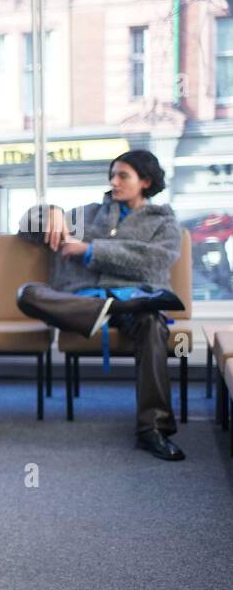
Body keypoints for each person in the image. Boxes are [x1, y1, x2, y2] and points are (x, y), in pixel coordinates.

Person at [15, 150, 186, 460]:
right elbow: (25, 228)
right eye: (112, 175)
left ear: (145, 181)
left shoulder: (165, 222)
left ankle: (153, 430)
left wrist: (90, 250)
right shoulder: (88, 214)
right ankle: (103, 310)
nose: (114, 182)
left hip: (136, 301)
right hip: (82, 303)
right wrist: (50, 211)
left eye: (123, 176)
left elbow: (154, 262)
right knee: (28, 293)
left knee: (151, 323)